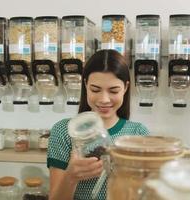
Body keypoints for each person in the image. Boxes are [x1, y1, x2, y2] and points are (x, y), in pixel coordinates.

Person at [47, 49, 149, 200]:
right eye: (95, 90)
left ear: (126, 88)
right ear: (86, 84)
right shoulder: (64, 131)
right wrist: (71, 177)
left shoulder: (137, 133)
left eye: (113, 91)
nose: (104, 99)